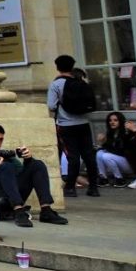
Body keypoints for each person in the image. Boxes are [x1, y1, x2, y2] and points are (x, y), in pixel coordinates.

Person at [0, 122, 64, 227]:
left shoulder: (3, 154)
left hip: (9, 197)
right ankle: (18, 211)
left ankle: (46, 210)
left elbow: (22, 174)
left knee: (37, 165)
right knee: (5, 166)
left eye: (1, 139)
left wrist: (28, 160)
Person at [49, 55, 99, 197]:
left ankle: (70, 187)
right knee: (89, 155)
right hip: (83, 123)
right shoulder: (80, 81)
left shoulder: (56, 84)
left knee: (73, 156)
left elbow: (51, 105)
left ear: (57, 67)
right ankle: (94, 187)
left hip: (66, 125)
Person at [95, 112, 133, 187]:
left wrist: (104, 143)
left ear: (121, 121)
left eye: (115, 120)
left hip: (129, 164)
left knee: (106, 155)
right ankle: (103, 178)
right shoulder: (111, 132)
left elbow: (120, 151)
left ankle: (119, 179)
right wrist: (102, 143)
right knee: (99, 153)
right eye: (110, 120)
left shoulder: (126, 132)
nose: (112, 122)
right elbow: (110, 148)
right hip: (117, 161)